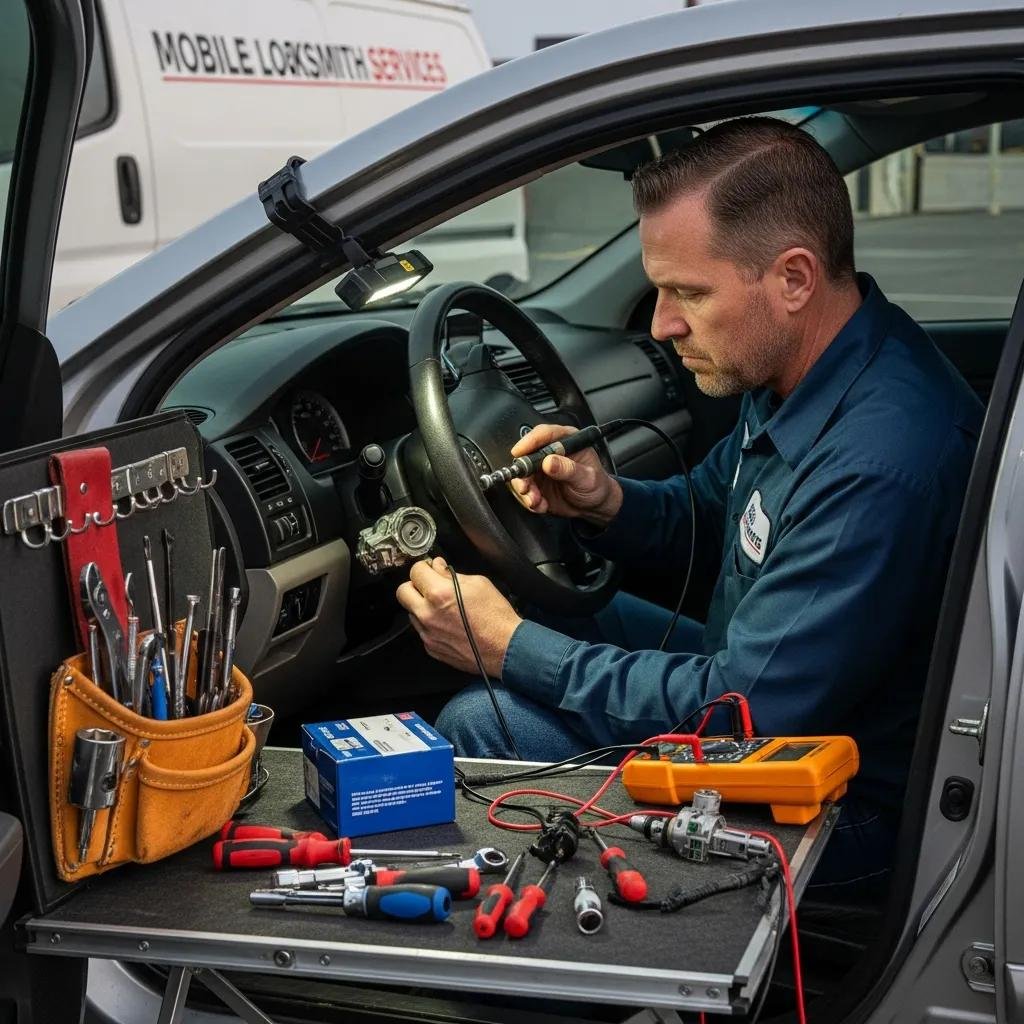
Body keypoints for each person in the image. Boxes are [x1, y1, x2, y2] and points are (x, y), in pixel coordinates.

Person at [395, 117, 983, 893]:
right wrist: (605, 500)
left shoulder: (878, 462)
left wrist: (510, 648)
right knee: (564, 620)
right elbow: (718, 512)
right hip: (763, 676)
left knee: (484, 717)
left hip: (843, 802)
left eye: (689, 293)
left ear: (794, 279)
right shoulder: (803, 366)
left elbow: (739, 712)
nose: (660, 324)